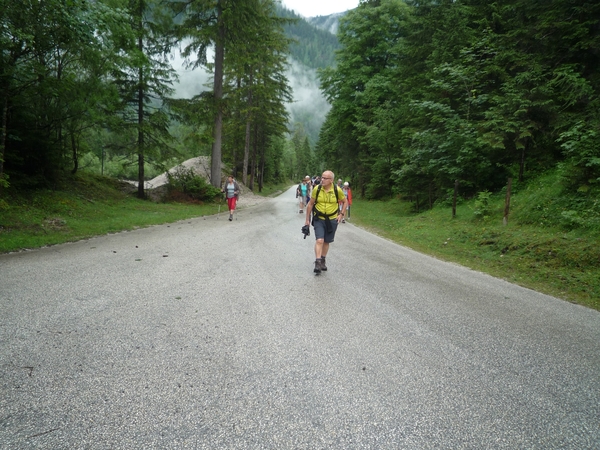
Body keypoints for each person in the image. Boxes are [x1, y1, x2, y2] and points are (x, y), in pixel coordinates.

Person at [305, 170, 348, 274]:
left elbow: (345, 201)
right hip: (319, 218)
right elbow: (310, 204)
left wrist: (341, 214)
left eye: (325, 178)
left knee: (326, 241)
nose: (322, 180)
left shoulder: (337, 190)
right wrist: (307, 220)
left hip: (332, 219)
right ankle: (318, 262)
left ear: (331, 180)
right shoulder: (317, 189)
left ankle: (323, 259)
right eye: (322, 177)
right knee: (319, 240)